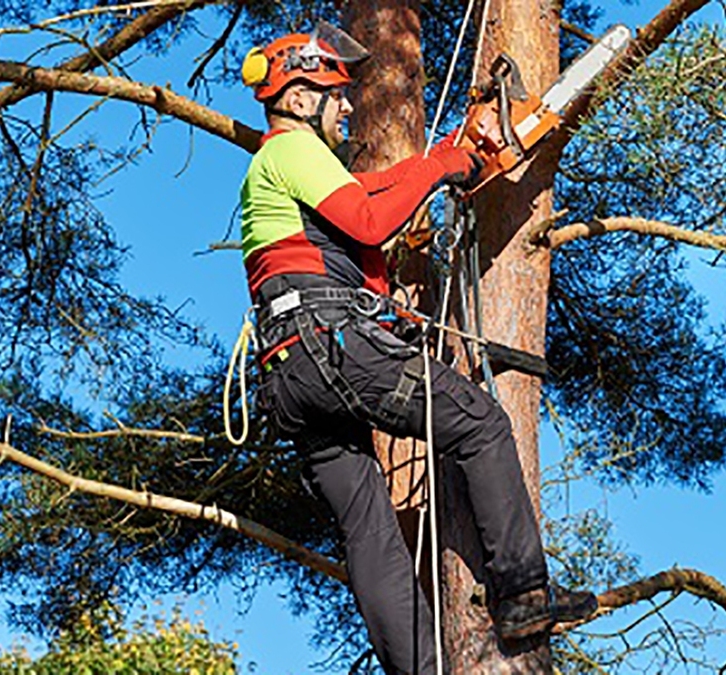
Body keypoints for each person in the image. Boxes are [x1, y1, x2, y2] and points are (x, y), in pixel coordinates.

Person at [237, 23, 597, 674]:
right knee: (482, 423)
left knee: (368, 526)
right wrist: (439, 165)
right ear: (295, 99)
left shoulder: (280, 170)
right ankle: (522, 594)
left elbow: (369, 201)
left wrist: (442, 161)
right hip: (329, 345)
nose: (346, 106)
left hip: (291, 371)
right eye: (333, 93)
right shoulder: (291, 150)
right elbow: (373, 221)